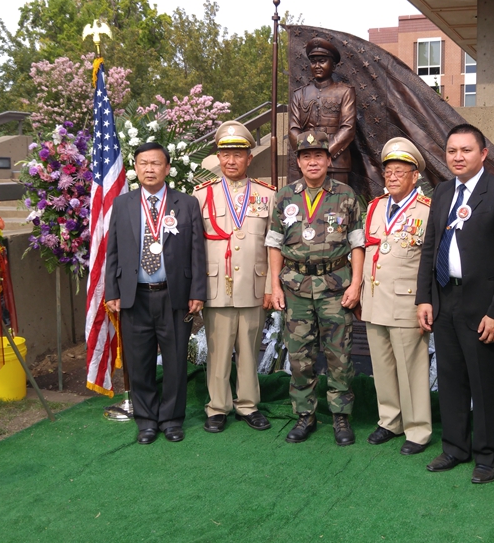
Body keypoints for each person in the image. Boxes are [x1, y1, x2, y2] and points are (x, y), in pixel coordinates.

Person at [415, 124, 494, 483]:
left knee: (483, 381)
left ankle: (488, 455)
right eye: (451, 151)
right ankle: (455, 448)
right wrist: (424, 299)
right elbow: (430, 247)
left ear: (483, 154)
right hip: (445, 298)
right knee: (449, 377)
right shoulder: (443, 191)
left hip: (482, 305)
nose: (457, 157)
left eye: (465, 150)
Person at [266, 130, 365, 446]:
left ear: (328, 159)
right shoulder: (284, 197)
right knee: (299, 356)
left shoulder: (346, 196)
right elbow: (274, 245)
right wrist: (275, 287)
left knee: (339, 354)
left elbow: (358, 244)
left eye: (319, 155)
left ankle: (340, 416)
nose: (313, 161)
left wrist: (357, 284)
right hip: (295, 287)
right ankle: (305, 415)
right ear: (298, 161)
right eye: (306, 156)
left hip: (336, 285)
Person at [105, 142, 206, 444]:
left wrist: (197, 291)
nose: (149, 169)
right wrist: (112, 290)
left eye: (156, 163)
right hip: (134, 295)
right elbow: (113, 252)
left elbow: (197, 252)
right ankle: (146, 420)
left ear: (167, 168)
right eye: (143, 163)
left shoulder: (186, 204)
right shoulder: (122, 205)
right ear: (135, 168)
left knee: (175, 360)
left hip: (174, 295)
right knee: (139, 361)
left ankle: (172, 419)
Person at [193, 121, 276, 434]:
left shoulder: (268, 195)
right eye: (225, 153)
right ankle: (217, 407)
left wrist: (270, 288)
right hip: (216, 286)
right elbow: (194, 246)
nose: (231, 160)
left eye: (238, 154)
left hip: (254, 286)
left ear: (249, 158)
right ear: (217, 156)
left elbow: (273, 244)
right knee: (217, 349)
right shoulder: (202, 195)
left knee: (249, 347)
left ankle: (248, 404)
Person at [360, 137, 432, 456]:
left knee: (411, 367)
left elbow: (430, 262)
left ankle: (418, 429)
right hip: (374, 299)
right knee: (383, 365)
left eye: (399, 171)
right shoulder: (375, 206)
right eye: (388, 170)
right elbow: (368, 249)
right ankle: (390, 420)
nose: (391, 176)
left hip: (406, 302)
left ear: (415, 176)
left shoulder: (427, 211)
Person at [289, 38, 356, 184]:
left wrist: (325, 154)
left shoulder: (345, 92)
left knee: (338, 204)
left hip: (336, 163)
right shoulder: (299, 94)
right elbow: (293, 130)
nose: (317, 65)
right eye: (313, 61)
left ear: (333, 65)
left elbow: (348, 128)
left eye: (322, 61)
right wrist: (307, 155)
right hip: (307, 166)